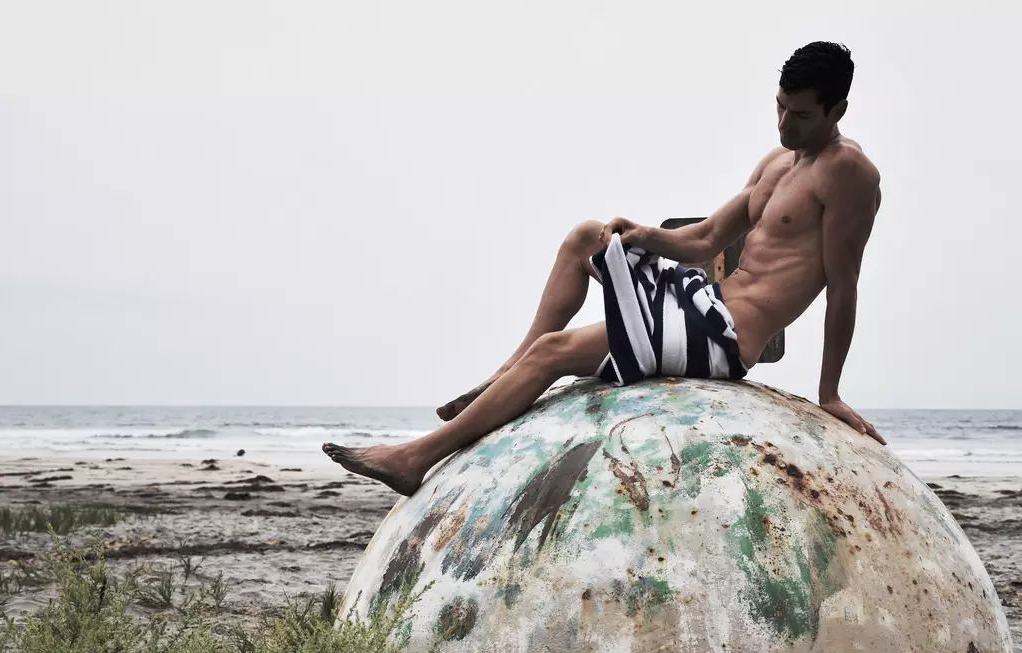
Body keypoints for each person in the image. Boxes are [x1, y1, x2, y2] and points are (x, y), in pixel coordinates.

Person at [323, 41, 886, 497]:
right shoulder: (778, 160)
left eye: (801, 115)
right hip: (698, 299)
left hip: (724, 339)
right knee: (583, 240)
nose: (785, 123)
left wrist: (829, 392)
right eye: (779, 106)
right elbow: (706, 238)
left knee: (554, 353)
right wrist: (644, 235)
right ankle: (504, 376)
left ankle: (413, 458)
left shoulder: (850, 176)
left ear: (836, 110)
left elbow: (844, 288)